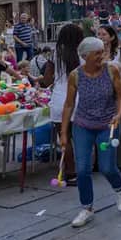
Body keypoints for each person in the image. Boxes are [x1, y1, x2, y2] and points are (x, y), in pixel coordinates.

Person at [59, 37, 121, 227]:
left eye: (102, 52)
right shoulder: (76, 75)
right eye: (97, 53)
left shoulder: (112, 70)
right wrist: (64, 133)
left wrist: (119, 114)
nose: (101, 56)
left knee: (107, 167)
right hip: (82, 125)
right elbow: (69, 105)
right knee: (82, 170)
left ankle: (119, 188)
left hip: (108, 125)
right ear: (85, 56)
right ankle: (87, 208)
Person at [40, 23, 83, 187]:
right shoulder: (83, 55)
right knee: (81, 138)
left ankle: (71, 173)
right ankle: (84, 168)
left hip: (60, 100)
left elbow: (47, 81)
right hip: (80, 99)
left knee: (65, 139)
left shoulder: (54, 56)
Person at [97, 24, 121, 172]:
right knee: (103, 126)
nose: (101, 37)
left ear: (112, 37)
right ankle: (104, 159)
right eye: (99, 35)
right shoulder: (97, 53)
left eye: (104, 35)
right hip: (102, 90)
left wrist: (119, 67)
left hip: (120, 90)